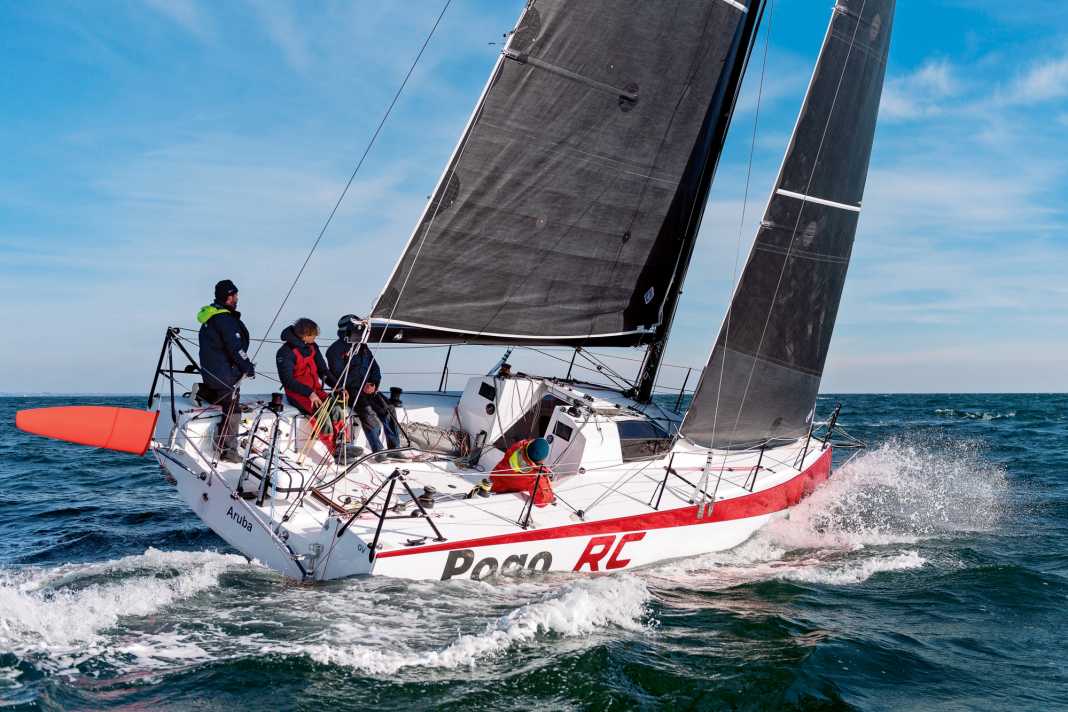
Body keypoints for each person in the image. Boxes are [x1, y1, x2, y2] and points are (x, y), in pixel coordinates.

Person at [197, 279, 255, 462]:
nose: (237, 298)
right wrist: (248, 367)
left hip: (213, 371)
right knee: (233, 410)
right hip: (224, 374)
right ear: (229, 297)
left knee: (227, 403)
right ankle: (228, 451)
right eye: (235, 295)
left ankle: (202, 392)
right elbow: (235, 348)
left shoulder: (211, 317)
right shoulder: (224, 320)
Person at [326, 314, 400, 453]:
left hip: (368, 390)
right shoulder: (335, 350)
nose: (362, 330)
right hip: (349, 391)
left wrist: (373, 384)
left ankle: (395, 449)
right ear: (349, 329)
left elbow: (375, 368)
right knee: (368, 412)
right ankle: (378, 450)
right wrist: (360, 385)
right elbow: (338, 375)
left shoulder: (363, 347)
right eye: (358, 327)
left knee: (389, 408)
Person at [275, 318, 333, 415]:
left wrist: (338, 386)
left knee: (336, 410)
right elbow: (287, 380)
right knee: (321, 414)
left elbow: (323, 370)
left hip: (316, 391)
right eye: (313, 334)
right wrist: (309, 393)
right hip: (298, 393)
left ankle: (341, 431)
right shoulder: (285, 352)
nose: (316, 336)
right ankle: (323, 430)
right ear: (304, 335)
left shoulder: (312, 346)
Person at [490, 437, 555, 507]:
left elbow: (529, 447)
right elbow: (542, 502)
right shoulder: (535, 477)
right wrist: (550, 497)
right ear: (542, 460)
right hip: (502, 497)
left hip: (494, 481)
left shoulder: (519, 446)